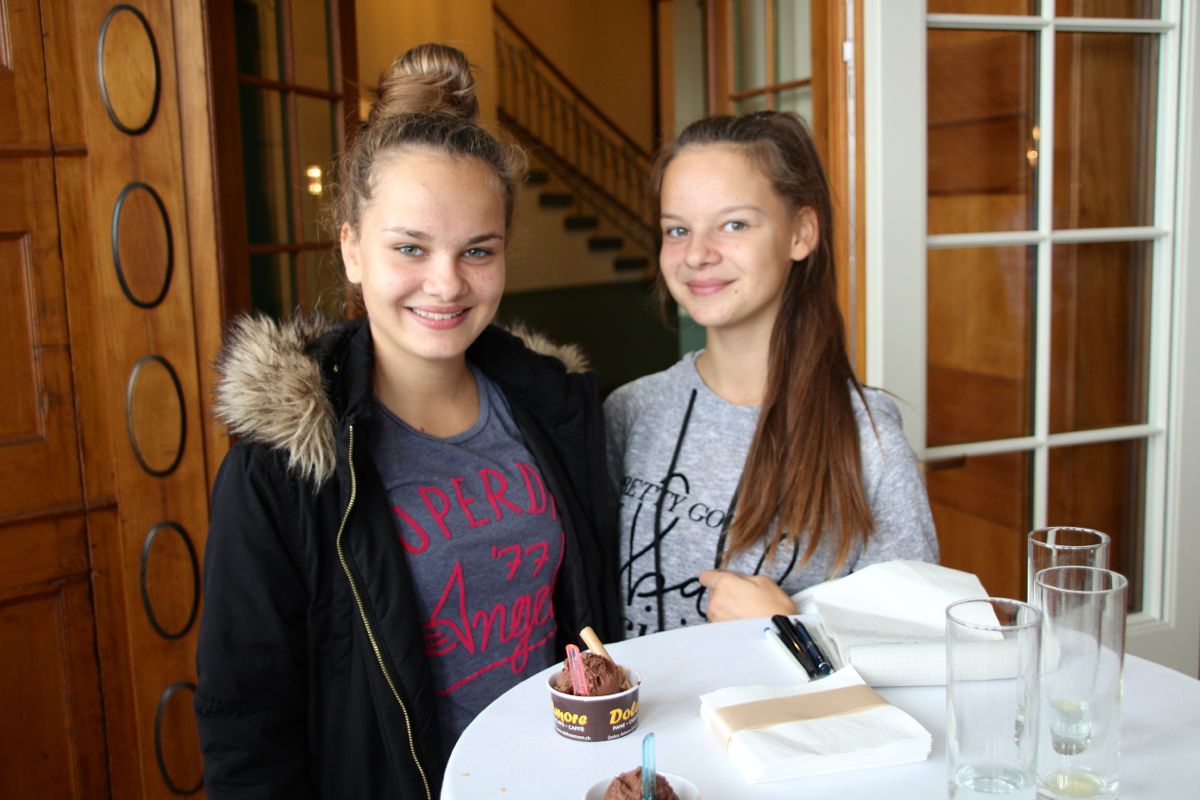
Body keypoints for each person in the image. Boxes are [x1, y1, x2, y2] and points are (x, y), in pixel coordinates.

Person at [195, 44, 618, 799]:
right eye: (409, 248)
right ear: (352, 248)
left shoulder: (556, 411)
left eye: (477, 251)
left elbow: (589, 624)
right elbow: (247, 721)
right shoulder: (285, 467)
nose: (447, 283)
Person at [605, 111, 938, 637]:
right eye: (677, 229)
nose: (697, 254)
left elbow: (920, 643)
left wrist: (790, 628)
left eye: (734, 224)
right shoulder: (630, 412)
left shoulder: (866, 437)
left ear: (801, 233)